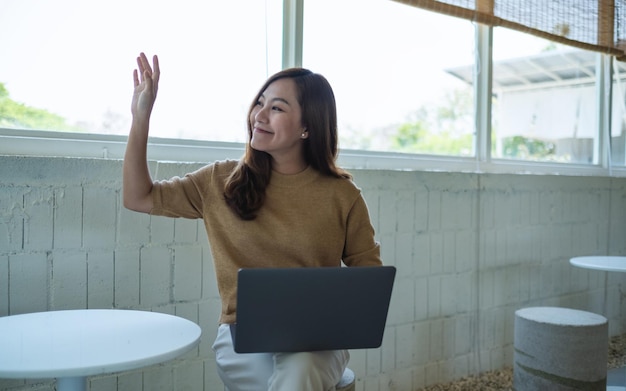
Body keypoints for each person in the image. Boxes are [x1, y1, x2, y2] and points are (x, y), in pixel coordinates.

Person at [123, 52, 382, 391]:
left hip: (317, 342)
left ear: (308, 127)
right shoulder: (219, 180)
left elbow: (369, 282)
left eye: (277, 108)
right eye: (260, 103)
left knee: (299, 371)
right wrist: (140, 117)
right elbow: (138, 197)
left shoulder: (342, 195)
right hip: (240, 334)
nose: (259, 115)